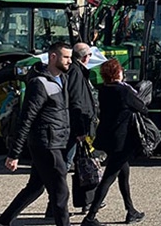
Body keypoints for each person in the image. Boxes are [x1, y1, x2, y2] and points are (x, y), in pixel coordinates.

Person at [0, 42, 74, 226]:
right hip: (46, 143)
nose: (70, 61)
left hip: (57, 140)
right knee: (60, 191)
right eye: (66, 57)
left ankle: (2, 222)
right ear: (53, 57)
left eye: (70, 57)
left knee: (35, 187)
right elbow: (26, 119)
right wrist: (14, 154)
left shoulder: (63, 79)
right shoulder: (40, 84)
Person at [81, 59, 146, 226]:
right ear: (118, 73)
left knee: (123, 174)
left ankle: (131, 211)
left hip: (109, 138)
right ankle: (90, 217)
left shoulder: (104, 90)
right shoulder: (123, 91)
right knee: (109, 178)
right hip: (122, 140)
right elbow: (142, 107)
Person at [65, 42, 99, 215]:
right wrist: (80, 130)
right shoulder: (77, 73)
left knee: (81, 164)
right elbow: (77, 102)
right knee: (66, 165)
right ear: (86, 57)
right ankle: (57, 206)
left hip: (77, 125)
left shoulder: (76, 71)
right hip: (77, 127)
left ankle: (88, 201)